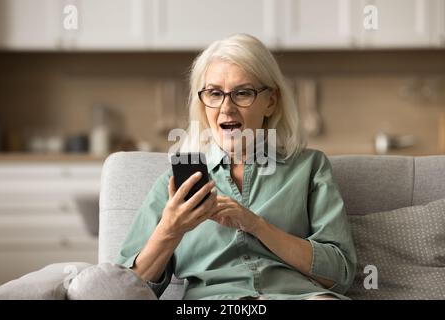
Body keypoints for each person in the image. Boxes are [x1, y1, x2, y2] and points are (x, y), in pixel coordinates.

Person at [116, 33, 357, 300]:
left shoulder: (309, 168)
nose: (226, 108)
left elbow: (339, 274)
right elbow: (127, 291)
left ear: (271, 101)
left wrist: (256, 225)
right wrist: (170, 229)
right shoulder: (174, 184)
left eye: (242, 93)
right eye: (215, 93)